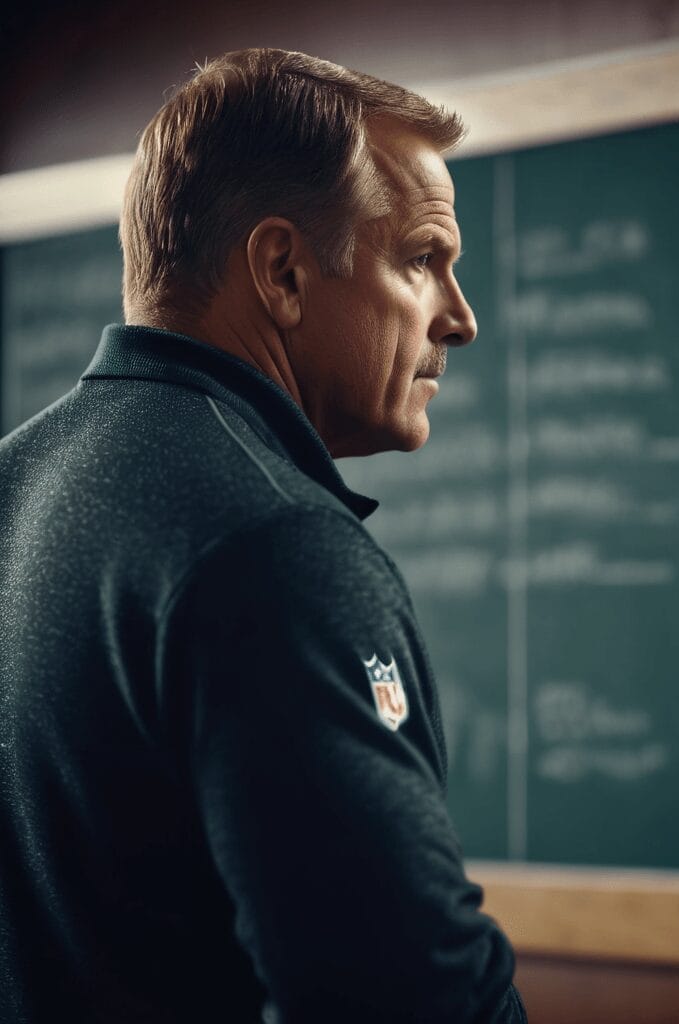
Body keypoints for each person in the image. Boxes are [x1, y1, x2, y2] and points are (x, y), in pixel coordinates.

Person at [0, 48, 526, 1023]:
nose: (461, 318)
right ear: (283, 270)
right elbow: (412, 999)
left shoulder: (11, 481)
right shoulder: (275, 547)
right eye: (421, 259)